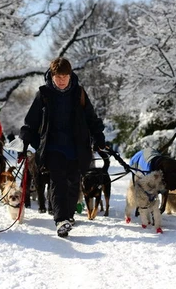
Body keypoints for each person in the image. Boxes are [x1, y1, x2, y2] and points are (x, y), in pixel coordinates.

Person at [18, 57, 106, 237]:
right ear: (51, 76)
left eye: (64, 76)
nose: (61, 80)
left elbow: (91, 118)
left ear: (70, 75)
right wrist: (24, 143)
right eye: (57, 77)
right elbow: (30, 122)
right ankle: (60, 220)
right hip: (53, 146)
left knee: (74, 182)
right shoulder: (43, 94)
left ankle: (69, 215)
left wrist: (99, 137)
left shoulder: (79, 93)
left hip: (76, 146)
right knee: (57, 182)